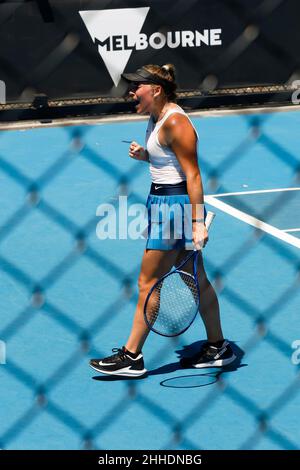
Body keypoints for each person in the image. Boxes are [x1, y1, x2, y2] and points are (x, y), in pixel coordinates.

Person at [90, 64, 235, 377]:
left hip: (174, 209)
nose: (131, 92)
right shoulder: (156, 118)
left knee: (148, 281)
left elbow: (193, 175)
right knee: (194, 278)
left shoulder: (175, 123)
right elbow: (168, 162)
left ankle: (131, 356)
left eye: (136, 87)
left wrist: (197, 222)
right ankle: (217, 346)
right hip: (161, 204)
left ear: (155, 89)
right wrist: (147, 155)